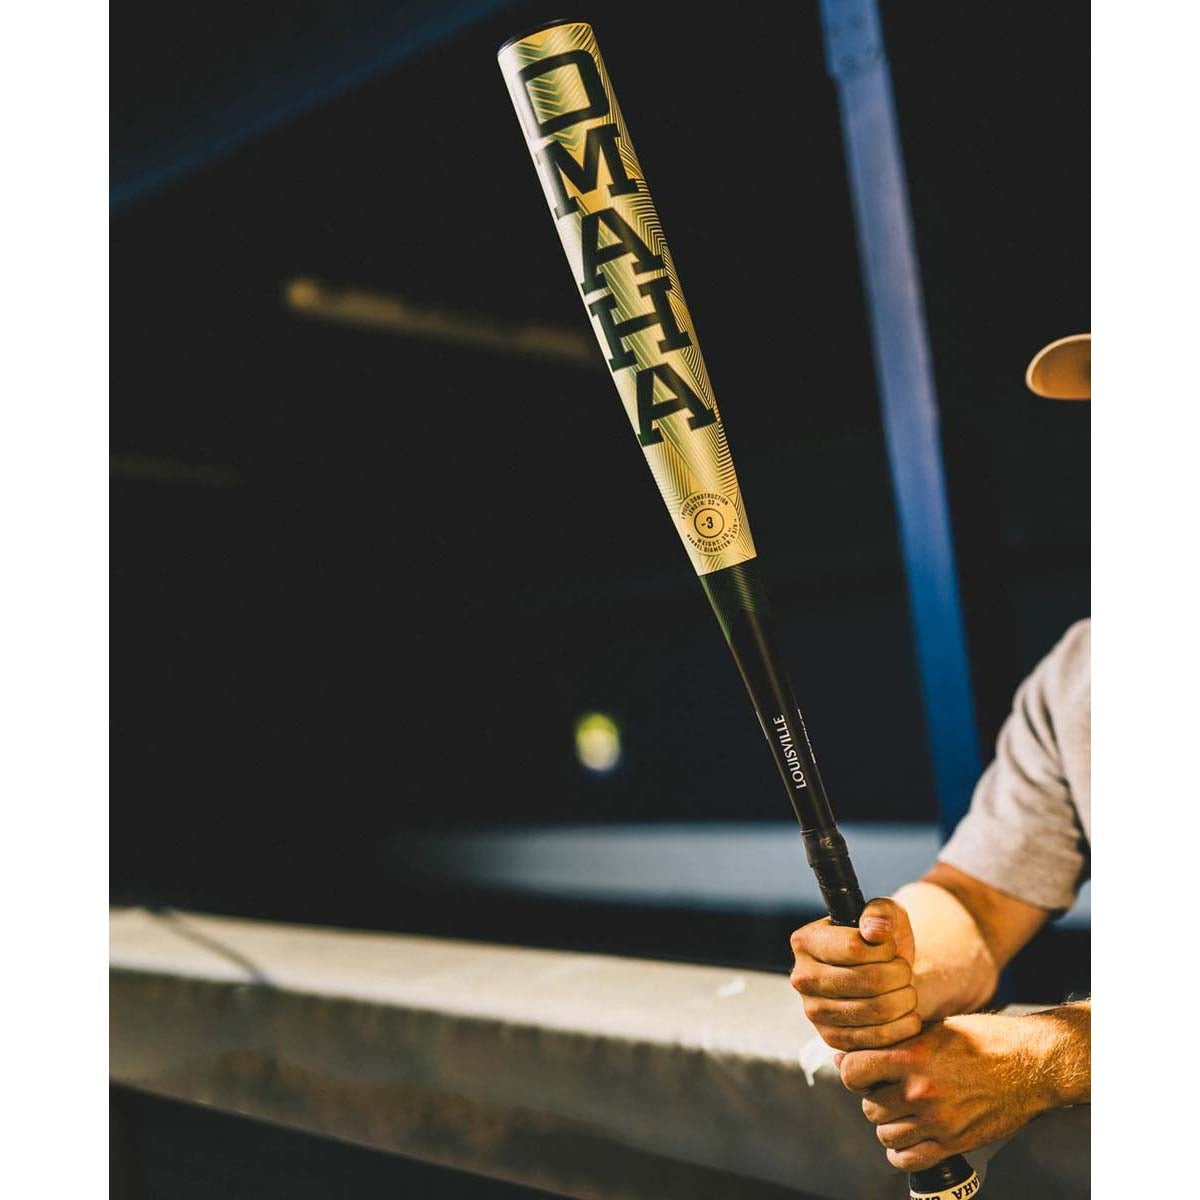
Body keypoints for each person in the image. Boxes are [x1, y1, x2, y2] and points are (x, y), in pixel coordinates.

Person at [789, 334, 1091, 1174]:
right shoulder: (1084, 673)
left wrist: (1054, 1058)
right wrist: (890, 962)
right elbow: (980, 906)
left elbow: (1050, 1053)